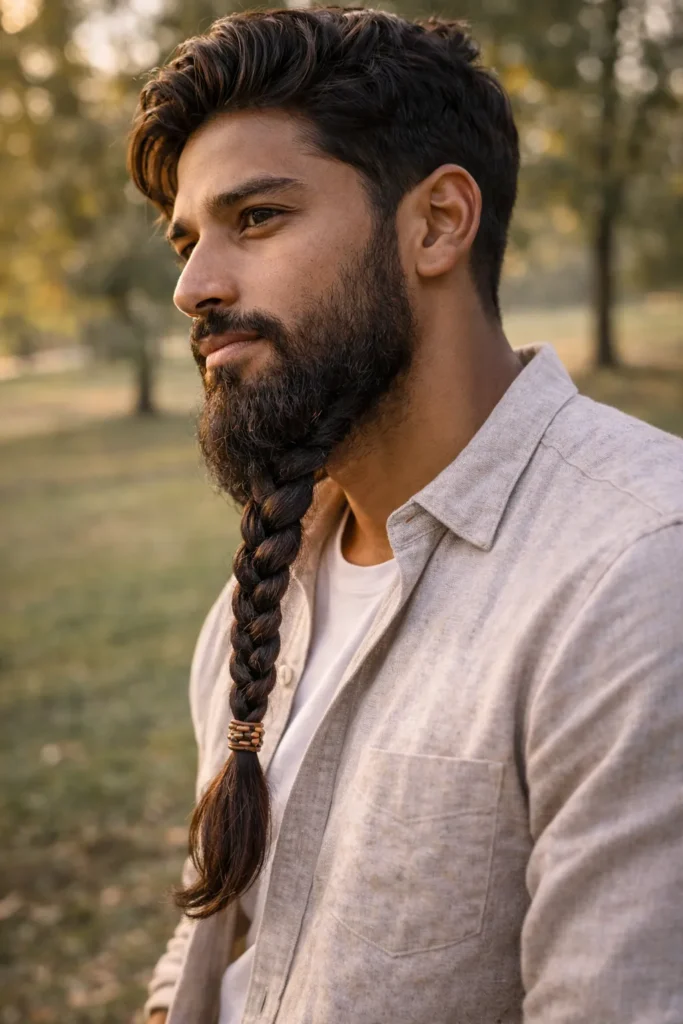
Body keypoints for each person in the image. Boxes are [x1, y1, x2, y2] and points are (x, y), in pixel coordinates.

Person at [128, 8, 683, 1023]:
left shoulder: (637, 576)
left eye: (255, 217)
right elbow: (226, 930)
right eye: (187, 238)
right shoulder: (275, 574)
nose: (192, 286)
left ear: (434, 224)